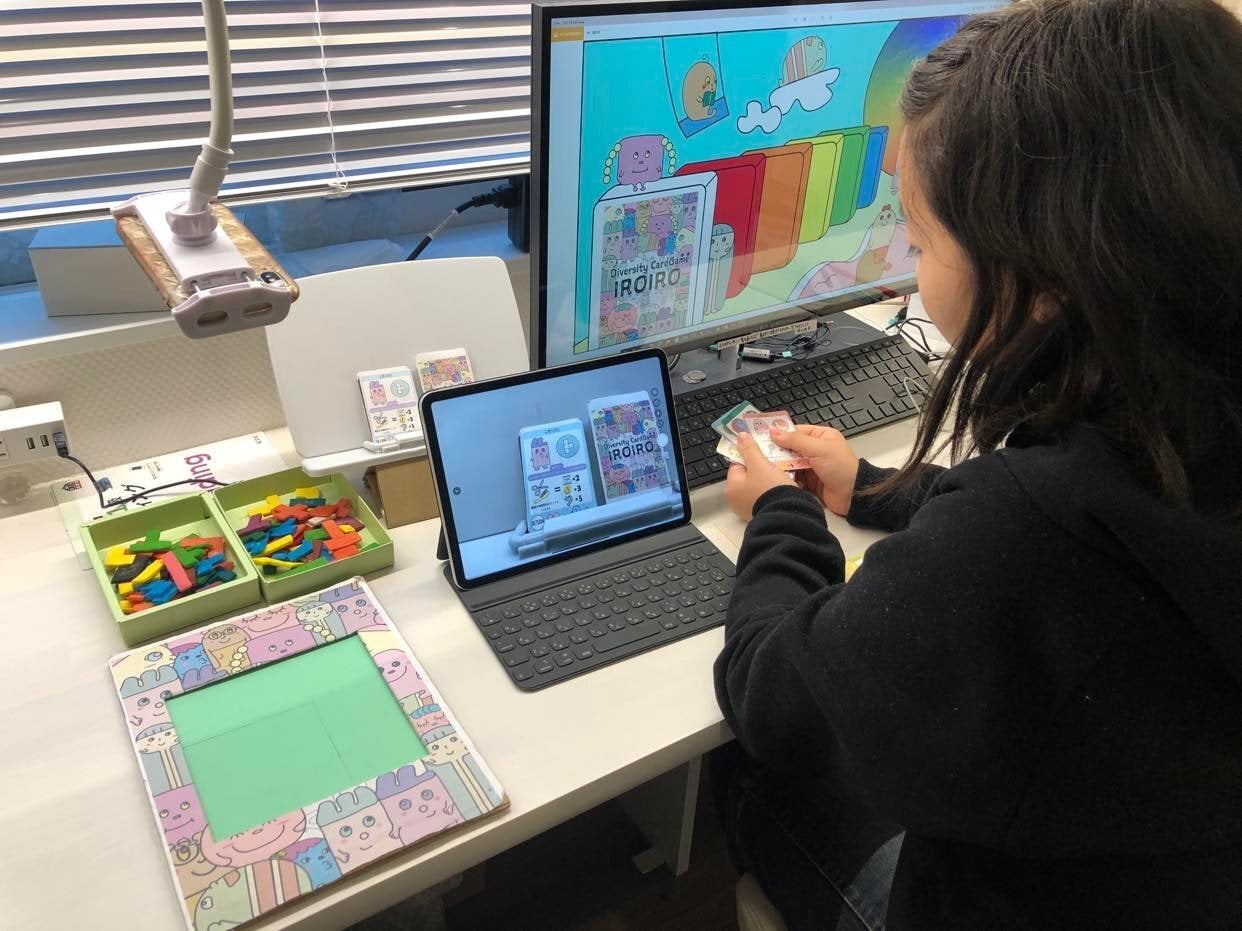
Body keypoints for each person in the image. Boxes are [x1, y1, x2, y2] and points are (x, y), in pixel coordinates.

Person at [712, 0, 1242, 928]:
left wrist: (781, 516)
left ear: (1042, 278)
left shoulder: (1024, 537)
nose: (915, 271)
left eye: (920, 242)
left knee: (744, 772)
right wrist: (879, 489)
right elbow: (1108, 513)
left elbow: (774, 694)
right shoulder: (1190, 417)